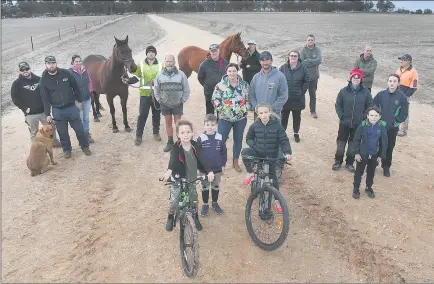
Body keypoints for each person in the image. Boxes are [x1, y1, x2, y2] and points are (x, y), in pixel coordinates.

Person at [161, 120, 215, 232]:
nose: (185, 135)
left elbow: (203, 159)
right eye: (182, 132)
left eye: (188, 132)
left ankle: (195, 217)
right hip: (177, 177)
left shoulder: (196, 146)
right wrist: (169, 171)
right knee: (174, 200)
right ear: (178, 135)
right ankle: (170, 216)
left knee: (193, 198)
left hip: (191, 177)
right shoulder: (175, 147)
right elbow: (173, 160)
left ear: (192, 133)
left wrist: (209, 171)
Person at [241, 103, 292, 214]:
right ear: (257, 114)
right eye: (261, 113)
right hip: (258, 154)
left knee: (274, 179)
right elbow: (248, 138)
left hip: (271, 156)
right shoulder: (254, 126)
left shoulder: (277, 125)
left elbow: (284, 140)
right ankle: (250, 173)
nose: (263, 115)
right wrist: (254, 146)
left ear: (270, 112)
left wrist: (287, 152)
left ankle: (277, 201)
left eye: (265, 112)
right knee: (245, 152)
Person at [40, 55, 91, 158]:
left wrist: (80, 100)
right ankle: (67, 150)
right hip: (57, 110)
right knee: (62, 133)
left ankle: (85, 147)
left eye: (53, 63)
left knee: (79, 129)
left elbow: (75, 86)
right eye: (49, 63)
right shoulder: (44, 80)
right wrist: (47, 114)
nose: (51, 65)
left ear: (56, 63)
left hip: (71, 107)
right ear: (45, 65)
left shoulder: (65, 73)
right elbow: (45, 98)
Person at [11, 61, 61, 146]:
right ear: (20, 71)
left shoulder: (39, 79)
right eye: (22, 70)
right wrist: (24, 108)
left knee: (51, 128)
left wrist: (47, 108)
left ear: (30, 69)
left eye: (26, 69)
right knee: (34, 132)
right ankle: (36, 148)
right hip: (30, 114)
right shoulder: (16, 84)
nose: (25, 71)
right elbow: (15, 99)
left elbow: (46, 93)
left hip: (43, 111)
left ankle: (54, 142)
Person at [211, 63, 250, 172]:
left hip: (240, 119)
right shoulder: (220, 85)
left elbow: (248, 99)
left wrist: (245, 108)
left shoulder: (244, 85)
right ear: (226, 72)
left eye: (234, 71)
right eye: (229, 71)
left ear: (237, 71)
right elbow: (215, 99)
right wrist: (222, 109)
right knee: (221, 140)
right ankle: (220, 162)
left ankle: (235, 161)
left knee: (238, 140)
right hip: (225, 119)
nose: (232, 73)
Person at [333, 68, 372, 173]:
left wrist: (363, 117)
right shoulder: (343, 91)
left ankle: (349, 163)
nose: (356, 78)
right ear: (350, 78)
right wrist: (342, 116)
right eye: (354, 77)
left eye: (358, 77)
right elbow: (338, 105)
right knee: (341, 143)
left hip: (358, 124)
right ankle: (338, 160)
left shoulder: (366, 92)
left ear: (361, 79)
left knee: (353, 144)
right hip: (344, 123)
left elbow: (369, 106)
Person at [123, 45, 163, 146]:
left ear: (155, 54)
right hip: (145, 95)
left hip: (157, 95)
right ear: (146, 54)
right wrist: (128, 80)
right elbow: (136, 77)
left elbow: (164, 79)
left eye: (153, 52)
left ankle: (156, 133)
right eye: (149, 52)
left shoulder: (160, 66)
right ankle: (139, 136)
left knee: (156, 114)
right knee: (142, 115)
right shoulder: (140, 65)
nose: (151, 53)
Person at [153, 54, 191, 152]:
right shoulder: (159, 75)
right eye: (167, 61)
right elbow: (156, 89)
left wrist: (182, 100)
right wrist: (160, 100)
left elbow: (186, 89)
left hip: (178, 104)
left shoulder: (181, 74)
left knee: (178, 124)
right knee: (168, 123)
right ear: (164, 63)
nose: (169, 63)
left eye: (171, 61)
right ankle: (170, 142)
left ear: (174, 62)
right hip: (165, 104)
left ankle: (180, 143)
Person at [373, 74, 408, 177]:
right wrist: (376, 119)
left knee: (389, 147)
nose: (392, 83)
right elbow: (373, 106)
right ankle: (373, 164)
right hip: (379, 126)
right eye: (390, 81)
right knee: (376, 145)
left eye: (394, 81)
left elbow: (404, 113)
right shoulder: (381, 94)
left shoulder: (402, 98)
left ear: (398, 83)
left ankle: (386, 166)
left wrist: (395, 122)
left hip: (392, 128)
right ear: (387, 82)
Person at [351, 106, 388, 199]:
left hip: (374, 154)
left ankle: (368, 187)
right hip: (362, 154)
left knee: (371, 172)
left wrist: (381, 155)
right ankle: (356, 188)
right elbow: (356, 140)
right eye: (371, 115)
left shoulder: (381, 127)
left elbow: (384, 142)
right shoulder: (362, 126)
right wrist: (356, 153)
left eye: (376, 115)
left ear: (379, 117)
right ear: (367, 116)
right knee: (359, 172)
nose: (374, 117)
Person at [196, 114, 227, 216]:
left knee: (216, 186)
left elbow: (223, 152)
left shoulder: (220, 137)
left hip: (217, 168)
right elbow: (198, 155)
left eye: (213, 125)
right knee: (205, 186)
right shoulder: (201, 138)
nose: (210, 127)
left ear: (216, 125)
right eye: (208, 124)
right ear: (204, 125)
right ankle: (205, 204)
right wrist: (198, 169)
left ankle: (214, 203)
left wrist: (223, 165)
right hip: (204, 170)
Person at [279, 50, 310, 143]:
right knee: (284, 117)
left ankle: (296, 133)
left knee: (297, 117)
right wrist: (281, 93)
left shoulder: (303, 68)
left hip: (298, 98)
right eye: (291, 55)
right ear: (288, 57)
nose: (293, 57)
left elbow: (306, 81)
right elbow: (278, 81)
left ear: (298, 57)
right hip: (285, 99)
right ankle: (282, 134)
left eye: (295, 56)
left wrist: (301, 92)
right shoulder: (283, 68)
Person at [248, 51, 288, 118]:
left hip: (274, 115)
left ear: (271, 60)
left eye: (267, 60)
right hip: (258, 116)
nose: (265, 62)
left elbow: (284, 96)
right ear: (260, 62)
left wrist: (271, 109)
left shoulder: (280, 76)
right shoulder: (256, 77)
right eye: (262, 60)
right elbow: (251, 94)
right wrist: (256, 107)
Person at [68, 55, 95, 143]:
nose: (79, 63)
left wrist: (89, 91)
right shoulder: (70, 73)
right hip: (77, 101)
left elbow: (90, 81)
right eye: (76, 61)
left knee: (86, 118)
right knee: (80, 118)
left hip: (87, 98)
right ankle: (82, 137)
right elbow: (69, 88)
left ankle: (87, 134)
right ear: (73, 63)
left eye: (80, 61)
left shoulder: (85, 70)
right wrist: (77, 100)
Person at [198, 44, 229, 115]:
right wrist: (206, 85)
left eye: (215, 51)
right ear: (210, 52)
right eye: (212, 51)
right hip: (209, 92)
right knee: (209, 113)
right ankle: (209, 125)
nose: (214, 53)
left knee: (221, 113)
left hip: (222, 92)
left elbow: (228, 77)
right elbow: (200, 77)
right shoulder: (204, 64)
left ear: (219, 51)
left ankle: (220, 126)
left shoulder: (225, 63)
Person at [395, 54, 418, 137]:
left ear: (409, 61)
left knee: (404, 112)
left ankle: (403, 130)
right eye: (401, 59)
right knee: (395, 111)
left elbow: (414, 87)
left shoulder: (413, 71)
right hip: (396, 93)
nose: (401, 61)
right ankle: (395, 127)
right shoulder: (398, 69)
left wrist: (405, 96)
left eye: (403, 60)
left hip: (405, 95)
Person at [300, 34, 322, 118]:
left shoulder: (317, 50)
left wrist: (308, 60)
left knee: (313, 94)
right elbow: (301, 62)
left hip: (314, 77)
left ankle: (313, 111)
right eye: (309, 40)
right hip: (304, 77)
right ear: (306, 40)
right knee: (301, 93)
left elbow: (319, 60)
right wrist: (313, 62)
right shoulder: (303, 50)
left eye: (312, 40)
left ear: (314, 41)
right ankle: (299, 108)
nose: (310, 41)